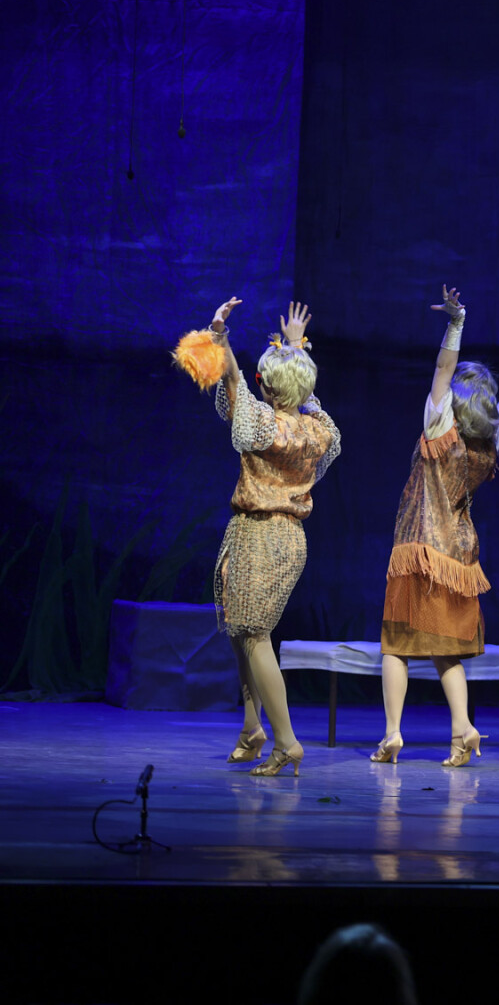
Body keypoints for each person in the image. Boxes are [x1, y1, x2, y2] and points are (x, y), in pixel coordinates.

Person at [370, 286, 499, 767]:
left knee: (396, 645)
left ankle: (392, 733)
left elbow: (442, 369)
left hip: (419, 551)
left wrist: (456, 323)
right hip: (460, 558)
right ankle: (463, 728)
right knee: (445, 650)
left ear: (455, 397)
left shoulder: (439, 426)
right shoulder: (490, 439)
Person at [173, 298, 340, 777]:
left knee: (255, 637)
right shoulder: (319, 430)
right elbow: (301, 392)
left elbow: (233, 382)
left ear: (268, 385)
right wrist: (295, 348)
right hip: (285, 538)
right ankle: (252, 729)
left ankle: (286, 743)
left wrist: (220, 336)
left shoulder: (264, 424)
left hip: (261, 535)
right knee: (243, 633)